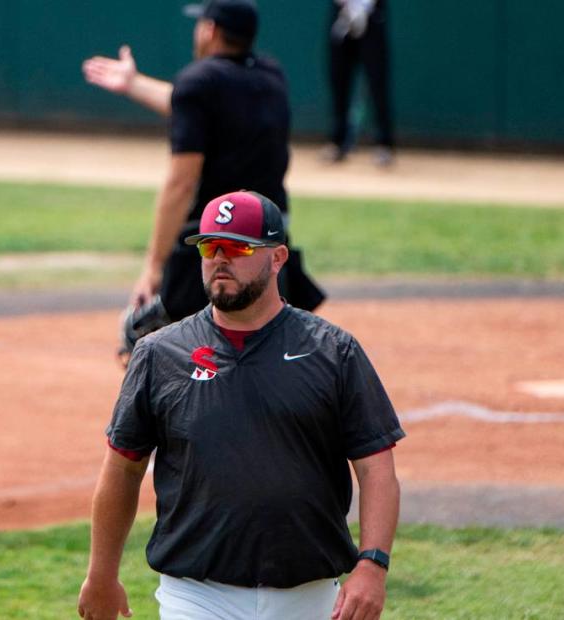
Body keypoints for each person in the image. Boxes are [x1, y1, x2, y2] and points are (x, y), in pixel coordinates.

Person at [77, 191, 404, 620]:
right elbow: (122, 467)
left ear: (278, 257)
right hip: (195, 595)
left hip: (310, 594)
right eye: (211, 247)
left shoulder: (332, 351)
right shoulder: (159, 354)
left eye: (238, 247)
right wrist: (101, 573)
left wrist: (372, 564)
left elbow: (376, 467)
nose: (220, 259)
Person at [83, 0, 323, 361]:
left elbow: (181, 183)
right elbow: (195, 104)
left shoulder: (199, 83)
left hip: (220, 241)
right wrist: (134, 84)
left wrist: (153, 267)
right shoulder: (270, 77)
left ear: (210, 30)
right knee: (263, 354)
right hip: (271, 242)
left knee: (155, 348)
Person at [325, 0, 395, 166]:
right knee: (339, 79)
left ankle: (384, 144)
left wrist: (363, 7)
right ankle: (338, 141)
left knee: (377, 82)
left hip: (372, 13)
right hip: (342, 14)